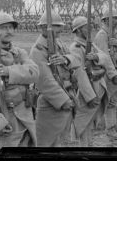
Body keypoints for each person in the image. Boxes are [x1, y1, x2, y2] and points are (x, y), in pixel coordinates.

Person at [30, 10, 82, 147]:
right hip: (50, 101)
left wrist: (65, 59)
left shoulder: (60, 44)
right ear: (43, 28)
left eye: (59, 28)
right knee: (45, 141)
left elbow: (77, 60)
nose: (59, 32)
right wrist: (64, 100)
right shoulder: (38, 50)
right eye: (55, 28)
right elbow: (44, 81)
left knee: (60, 139)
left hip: (66, 94)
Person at [69, 16, 117, 146]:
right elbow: (79, 72)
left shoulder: (89, 44)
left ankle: (89, 143)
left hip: (96, 84)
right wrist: (89, 96)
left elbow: (104, 56)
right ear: (78, 30)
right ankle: (84, 145)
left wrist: (96, 56)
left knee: (91, 119)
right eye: (86, 27)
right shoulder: (75, 47)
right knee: (83, 120)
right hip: (85, 90)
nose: (90, 29)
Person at [0, 12, 39, 147]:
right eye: (3, 28)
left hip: (24, 111)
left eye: (10, 27)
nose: (8, 31)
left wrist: (9, 71)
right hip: (5, 116)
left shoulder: (19, 52)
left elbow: (34, 72)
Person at [94, 9, 117, 140]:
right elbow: (105, 57)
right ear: (106, 20)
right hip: (108, 74)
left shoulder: (113, 34)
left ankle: (113, 125)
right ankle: (110, 129)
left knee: (115, 101)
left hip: (116, 70)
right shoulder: (102, 35)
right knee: (110, 102)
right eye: (114, 18)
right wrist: (114, 75)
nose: (116, 20)